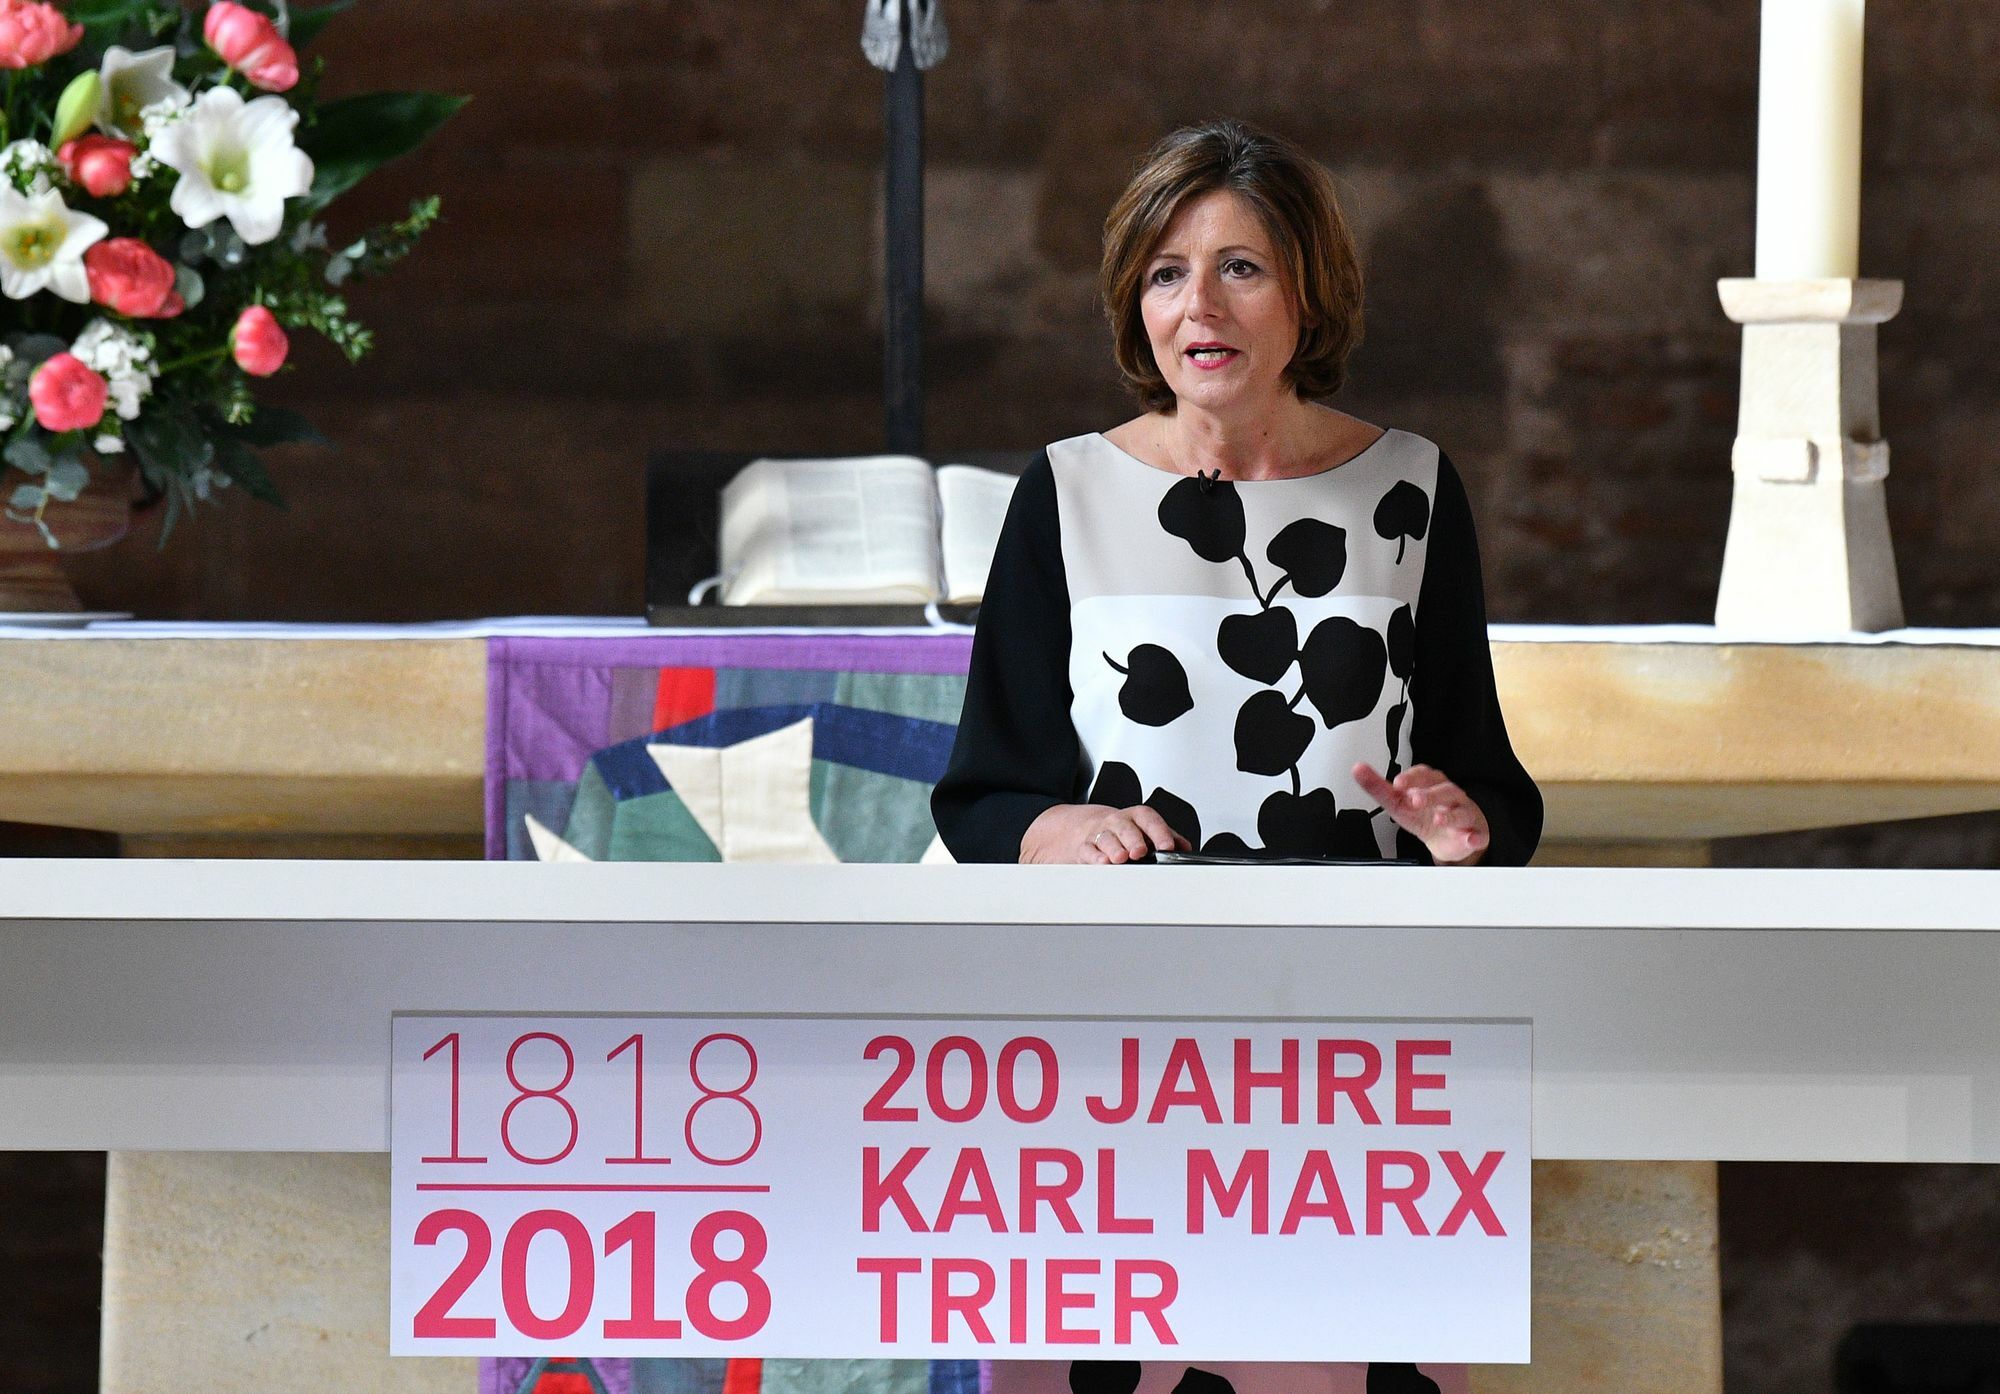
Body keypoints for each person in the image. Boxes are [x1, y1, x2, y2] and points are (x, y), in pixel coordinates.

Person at [931, 119, 1541, 867]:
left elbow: (1486, 792)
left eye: (1241, 268)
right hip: (1129, 932)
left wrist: (1463, 837)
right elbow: (986, 798)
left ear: (1309, 294)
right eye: (1166, 274)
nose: (1200, 305)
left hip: (1354, 934)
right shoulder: (1064, 490)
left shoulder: (1411, 486)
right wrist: (1059, 830)